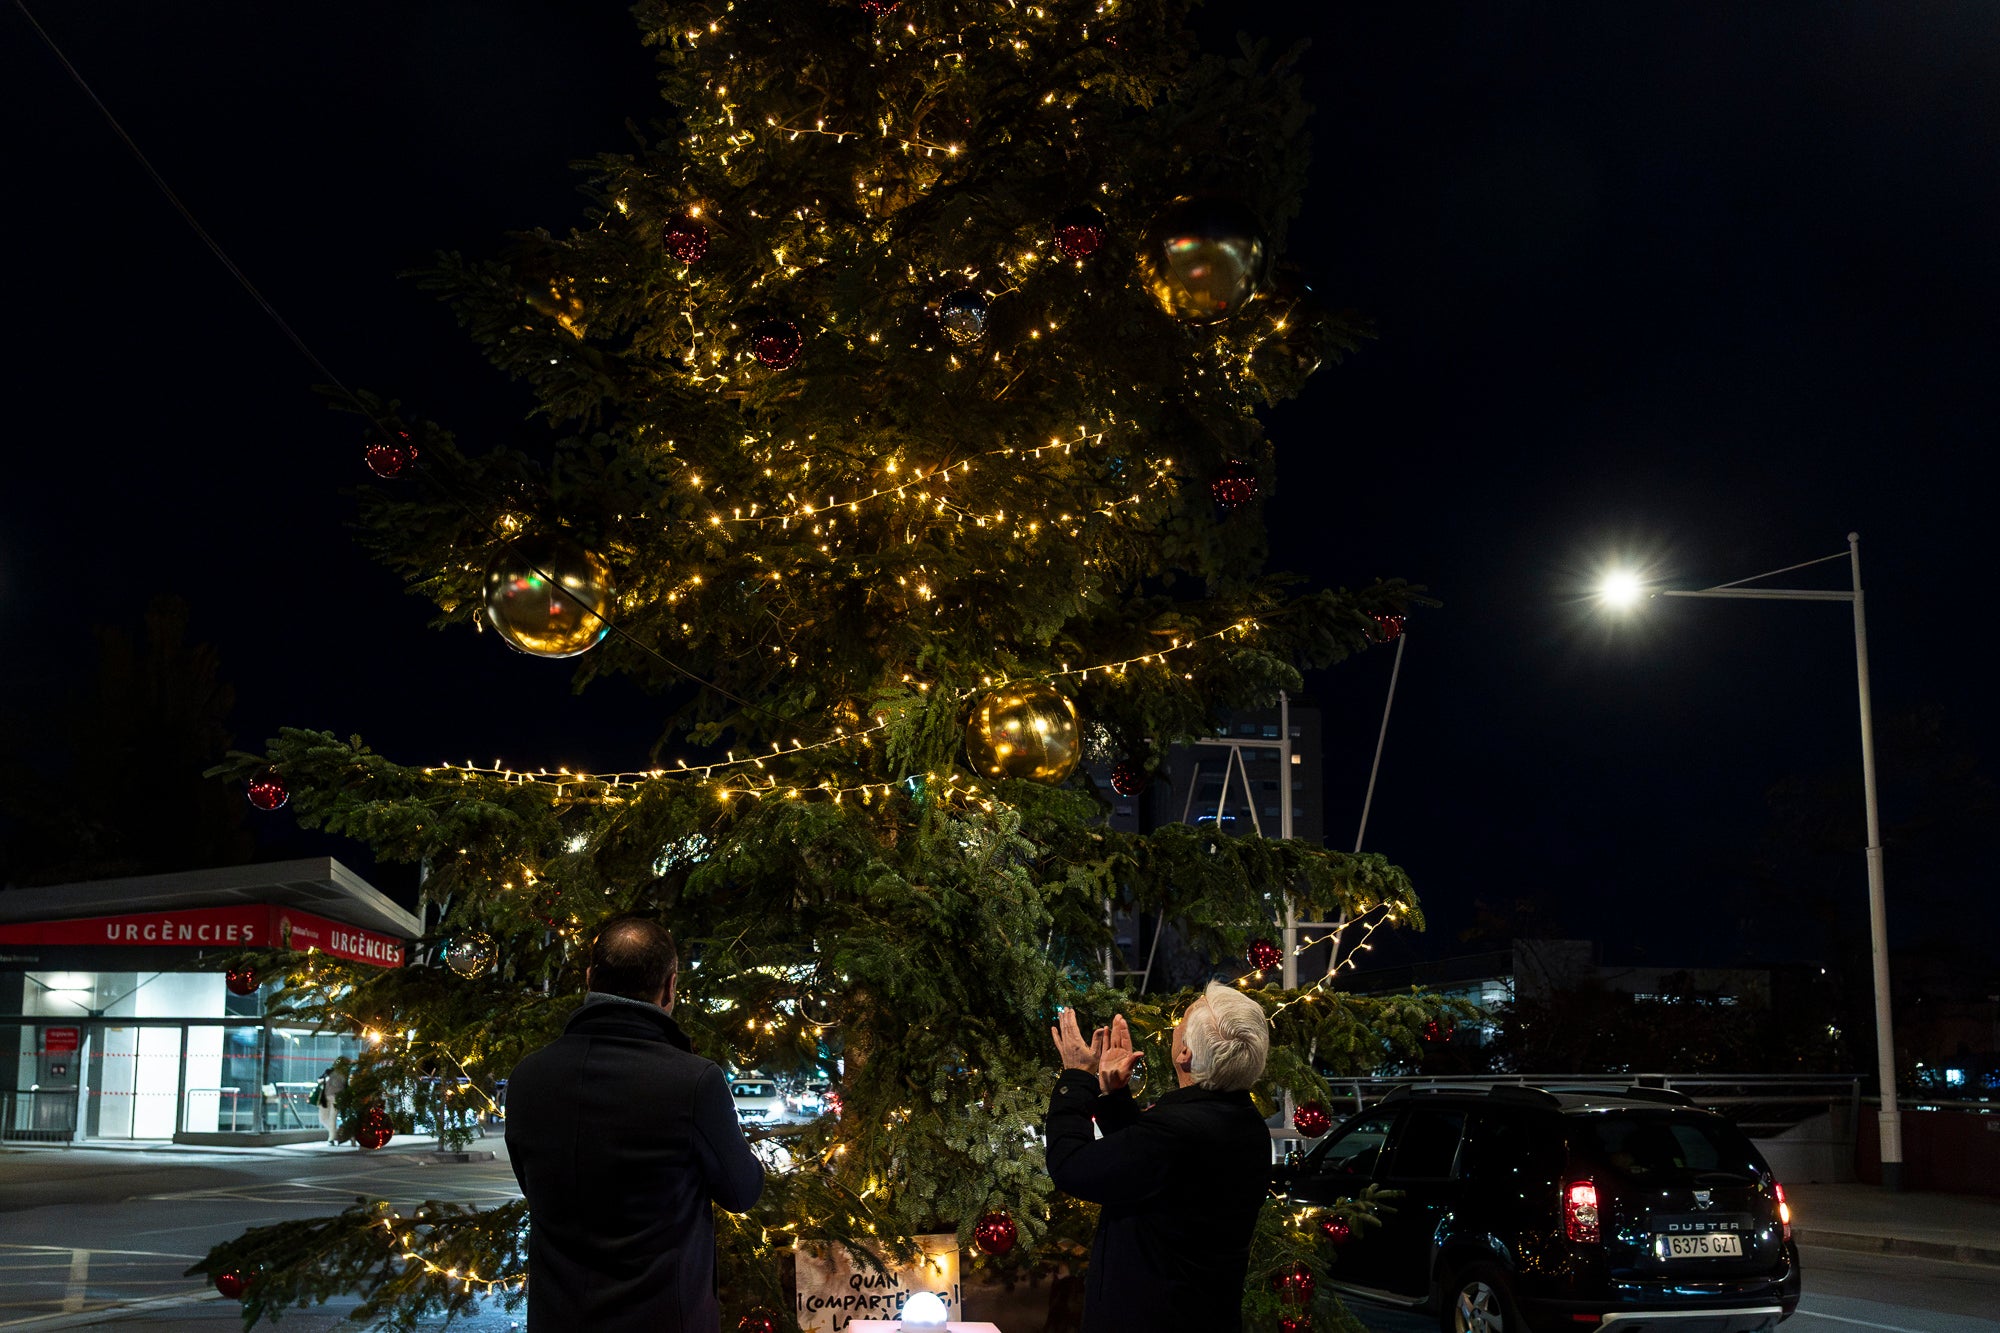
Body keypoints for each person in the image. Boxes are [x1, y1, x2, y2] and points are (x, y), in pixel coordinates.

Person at [506, 914, 764, 1332]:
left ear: (590, 978)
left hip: (559, 1318)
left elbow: (531, 1184)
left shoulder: (528, 1077)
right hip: (664, 1318)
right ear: (670, 986)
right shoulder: (694, 1081)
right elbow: (741, 1191)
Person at [1045, 981, 1274, 1333]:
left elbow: (1070, 1166)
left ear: (1185, 1054)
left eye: (1181, 1021)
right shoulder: (1246, 1125)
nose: (1175, 1026)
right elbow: (1153, 1176)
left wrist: (1076, 1079)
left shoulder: (1175, 1132)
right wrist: (1113, 1097)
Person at [314, 1063, 346, 1145]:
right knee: (330, 1118)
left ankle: (332, 1137)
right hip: (332, 1098)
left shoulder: (331, 1073)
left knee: (325, 1118)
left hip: (328, 1097)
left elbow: (320, 1081)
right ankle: (336, 1134)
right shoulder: (340, 1075)